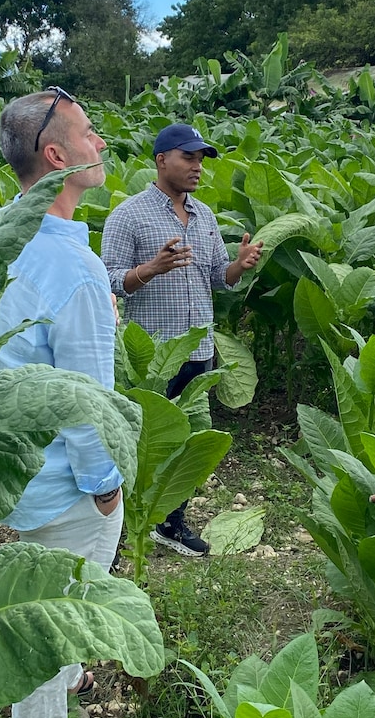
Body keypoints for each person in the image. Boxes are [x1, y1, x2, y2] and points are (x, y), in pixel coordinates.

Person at [0, 87, 125, 718]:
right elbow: (84, 399)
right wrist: (104, 481)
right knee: (54, 617)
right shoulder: (74, 269)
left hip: (8, 464)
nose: (100, 143)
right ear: (55, 155)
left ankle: (70, 676)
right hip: (61, 477)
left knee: (45, 592)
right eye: (90, 133)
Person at [101, 122, 263, 555]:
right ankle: (122, 526)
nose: (197, 167)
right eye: (188, 157)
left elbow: (218, 278)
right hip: (153, 357)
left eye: (201, 160)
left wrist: (240, 265)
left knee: (188, 440)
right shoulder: (129, 215)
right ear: (161, 160)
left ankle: (171, 523)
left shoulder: (204, 215)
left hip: (199, 349)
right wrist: (149, 270)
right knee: (143, 442)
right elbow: (109, 280)